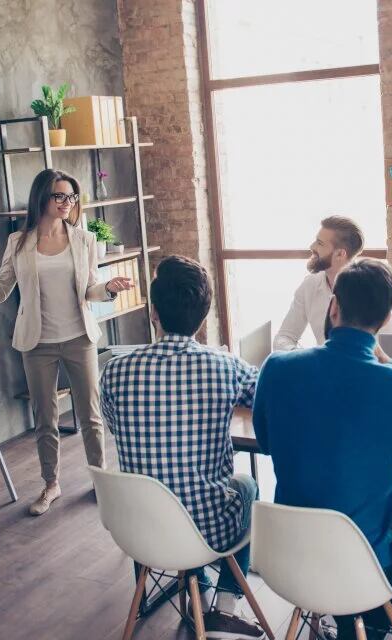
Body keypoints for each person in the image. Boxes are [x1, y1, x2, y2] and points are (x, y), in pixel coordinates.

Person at [253, 259, 392, 640]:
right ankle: (371, 624)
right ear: (388, 315)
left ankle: (340, 621)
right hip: (360, 567)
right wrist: (389, 364)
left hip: (284, 558)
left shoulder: (276, 367)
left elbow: (265, 440)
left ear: (333, 306)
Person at [0, 168, 132, 516]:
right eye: (59, 196)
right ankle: (51, 484)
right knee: (44, 418)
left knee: (90, 416)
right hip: (37, 343)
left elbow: (90, 289)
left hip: (79, 338)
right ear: (42, 198)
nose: (67, 203)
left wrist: (107, 289)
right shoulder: (19, 242)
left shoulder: (84, 240)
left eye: (72, 197)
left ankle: (101, 481)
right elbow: (0, 291)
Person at [100, 255, 265, 640]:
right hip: (207, 529)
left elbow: (114, 425)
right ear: (204, 316)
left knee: (167, 481)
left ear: (154, 312)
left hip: (137, 527)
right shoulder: (226, 366)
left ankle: (197, 588)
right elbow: (265, 398)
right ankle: (223, 605)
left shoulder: (116, 370)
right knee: (248, 487)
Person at [274, 215, 392, 351]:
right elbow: (284, 337)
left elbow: (389, 351)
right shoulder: (310, 284)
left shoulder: (373, 289)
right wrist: (301, 357)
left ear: (340, 254)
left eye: (320, 243)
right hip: (319, 367)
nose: (312, 247)